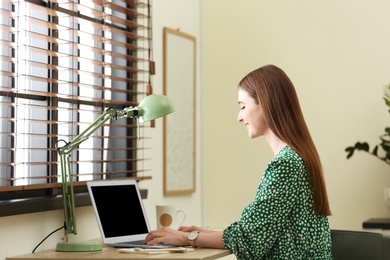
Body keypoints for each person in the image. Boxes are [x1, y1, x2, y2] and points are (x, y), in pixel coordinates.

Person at [145, 64, 333, 259]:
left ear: (266, 104)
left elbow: (250, 240)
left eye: (243, 106)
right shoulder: (298, 157)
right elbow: (256, 231)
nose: (239, 117)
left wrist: (188, 237)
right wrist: (203, 233)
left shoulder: (285, 165)